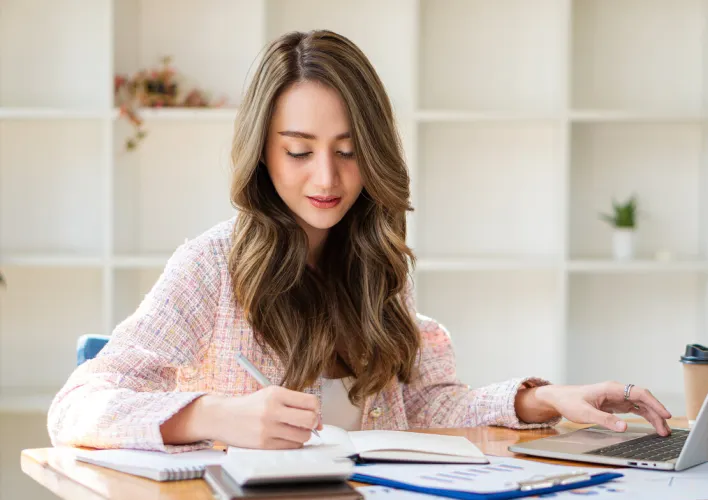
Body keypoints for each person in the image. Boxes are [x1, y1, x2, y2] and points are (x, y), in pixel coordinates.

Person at [47, 30, 671, 453]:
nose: (327, 178)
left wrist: (545, 400)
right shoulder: (211, 267)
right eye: (298, 151)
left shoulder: (375, 263)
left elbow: (426, 408)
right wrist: (213, 416)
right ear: (262, 153)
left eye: (348, 152)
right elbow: (76, 408)